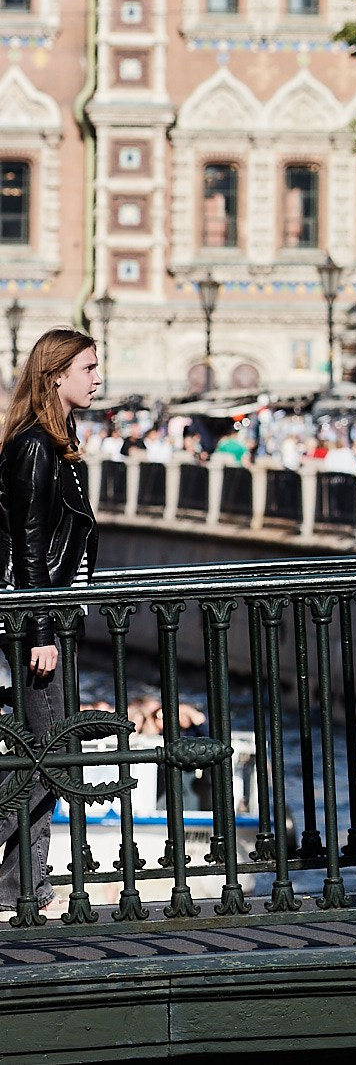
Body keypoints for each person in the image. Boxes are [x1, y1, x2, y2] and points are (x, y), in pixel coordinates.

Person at [0, 329, 102, 919]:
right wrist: (41, 632)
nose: (97, 377)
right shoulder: (36, 446)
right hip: (40, 621)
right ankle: (21, 885)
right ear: (56, 376)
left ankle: (20, 886)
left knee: (46, 753)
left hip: (53, 617)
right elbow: (29, 550)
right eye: (88, 367)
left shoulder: (57, 441)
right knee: (51, 755)